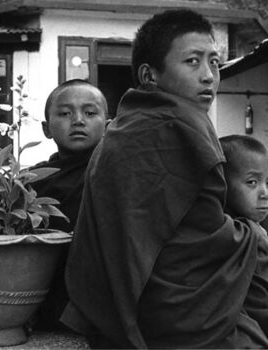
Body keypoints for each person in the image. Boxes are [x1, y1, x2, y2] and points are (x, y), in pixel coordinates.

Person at [61, 9, 268, 349]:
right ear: (150, 75)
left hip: (123, 299)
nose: (208, 76)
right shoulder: (178, 124)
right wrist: (250, 235)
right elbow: (206, 234)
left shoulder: (127, 124)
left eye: (214, 63)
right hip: (174, 311)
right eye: (192, 61)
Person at [27, 79, 110, 331]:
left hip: (99, 294)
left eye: (90, 112)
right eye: (65, 113)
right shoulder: (31, 181)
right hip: (43, 295)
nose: (78, 120)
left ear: (108, 126)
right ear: (46, 128)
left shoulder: (117, 173)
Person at [220, 135, 268, 338]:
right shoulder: (235, 237)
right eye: (252, 182)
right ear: (223, 185)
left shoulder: (259, 226)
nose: (264, 192)